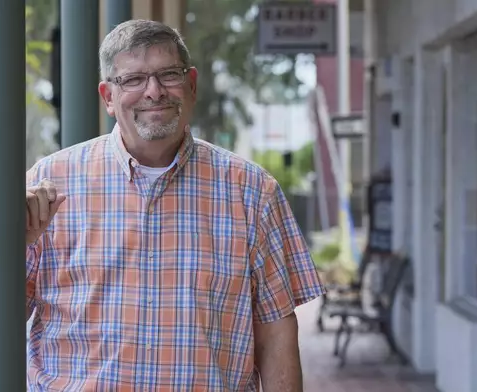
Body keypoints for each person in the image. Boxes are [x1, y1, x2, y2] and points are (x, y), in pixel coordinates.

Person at [25, 19, 325, 391]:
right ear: (107, 97)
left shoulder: (252, 192)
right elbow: (2, 322)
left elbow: (276, 332)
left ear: (192, 85)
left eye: (168, 75)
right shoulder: (49, 185)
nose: (154, 92)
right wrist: (12, 247)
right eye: (133, 80)